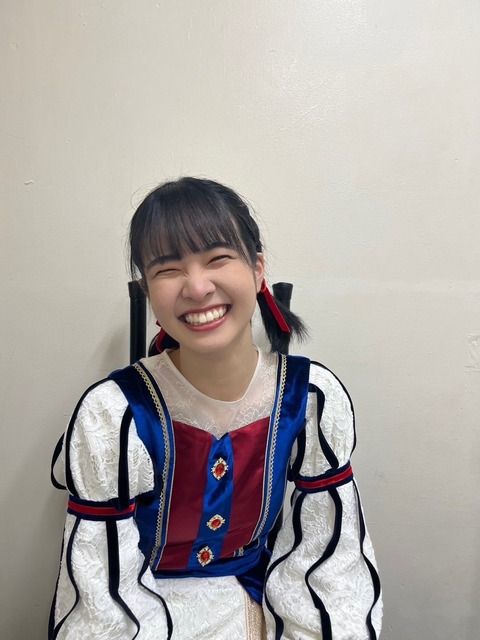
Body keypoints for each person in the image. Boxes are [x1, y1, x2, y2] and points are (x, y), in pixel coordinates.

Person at [49, 177, 382, 640]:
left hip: (253, 598)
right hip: (145, 608)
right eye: (168, 269)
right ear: (148, 290)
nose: (197, 287)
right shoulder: (113, 413)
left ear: (257, 268)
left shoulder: (309, 398)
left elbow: (328, 556)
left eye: (218, 258)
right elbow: (103, 590)